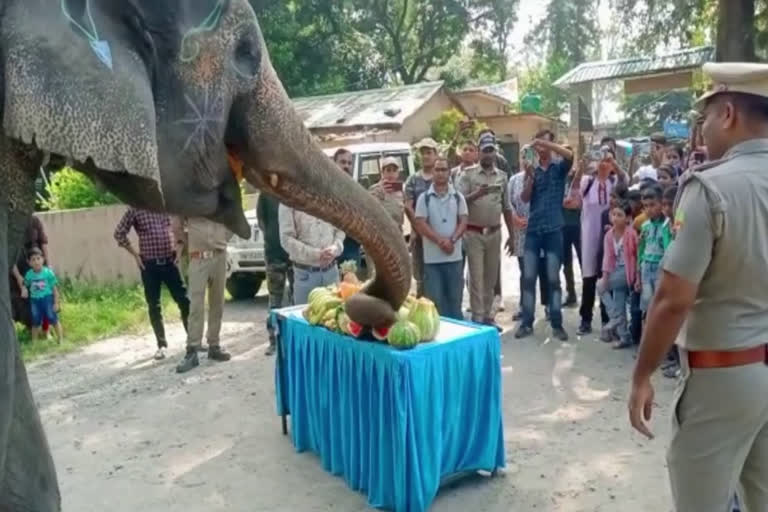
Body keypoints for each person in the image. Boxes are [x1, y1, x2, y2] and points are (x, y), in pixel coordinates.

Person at [629, 62, 768, 512]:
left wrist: (641, 375)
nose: (702, 128)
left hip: (724, 375)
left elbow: (672, 299)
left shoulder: (710, 188)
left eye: (705, 116)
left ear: (728, 113)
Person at [514, 130, 574, 340]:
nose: (541, 148)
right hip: (533, 230)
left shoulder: (559, 168)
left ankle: (557, 323)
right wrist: (529, 178)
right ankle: (526, 323)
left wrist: (547, 144)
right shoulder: (533, 170)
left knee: (553, 278)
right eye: (538, 145)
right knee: (528, 278)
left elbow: (570, 155)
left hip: (554, 229)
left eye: (545, 144)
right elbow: (525, 197)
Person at [114, 208, 190, 360]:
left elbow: (182, 229)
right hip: (149, 266)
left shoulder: (165, 206)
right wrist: (135, 255)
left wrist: (180, 250)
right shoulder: (135, 209)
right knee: (154, 305)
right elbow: (119, 233)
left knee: (184, 300)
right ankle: (161, 345)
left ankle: (192, 340)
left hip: (170, 262)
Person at [457, 132, 514, 329]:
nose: (488, 154)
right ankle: (478, 319)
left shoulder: (503, 177)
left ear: (494, 152)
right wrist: (476, 194)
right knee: (476, 278)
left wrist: (512, 237)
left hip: (495, 233)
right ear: (479, 152)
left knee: (490, 277)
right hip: (473, 234)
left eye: (491, 150)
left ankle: (488, 317)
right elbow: (458, 202)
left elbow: (507, 208)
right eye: (485, 150)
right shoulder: (468, 175)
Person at [576, 147, 628, 335]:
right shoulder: (587, 181)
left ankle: (609, 320)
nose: (604, 163)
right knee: (589, 277)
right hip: (590, 235)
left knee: (608, 276)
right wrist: (581, 168)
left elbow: (626, 181)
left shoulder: (615, 182)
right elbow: (574, 191)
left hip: (610, 235)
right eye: (601, 160)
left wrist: (614, 163)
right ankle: (585, 319)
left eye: (608, 161)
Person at [175, 217, 233, 373]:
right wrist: (189, 243)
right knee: (196, 305)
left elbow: (232, 216)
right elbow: (176, 221)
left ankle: (214, 345)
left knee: (217, 303)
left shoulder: (218, 194)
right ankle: (192, 350)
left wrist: (222, 238)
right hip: (198, 257)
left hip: (219, 255)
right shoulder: (189, 197)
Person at [414, 156, 468, 320]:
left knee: (455, 301)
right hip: (432, 261)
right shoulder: (425, 198)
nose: (440, 173)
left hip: (454, 258)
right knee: (435, 303)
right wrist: (439, 241)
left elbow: (464, 221)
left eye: (444, 169)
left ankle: (458, 341)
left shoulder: (458, 197)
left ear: (449, 172)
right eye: (437, 170)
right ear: (432, 172)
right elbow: (420, 223)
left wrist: (451, 241)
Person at [507, 164, 550, 322]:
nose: (528, 160)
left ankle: (549, 305)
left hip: (541, 230)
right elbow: (507, 203)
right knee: (526, 273)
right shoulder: (514, 180)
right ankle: (524, 307)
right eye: (525, 156)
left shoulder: (544, 177)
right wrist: (515, 219)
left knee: (544, 271)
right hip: (521, 233)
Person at [279, 202, 344, 305]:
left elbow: (340, 229)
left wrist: (335, 247)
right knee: (304, 319)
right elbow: (286, 239)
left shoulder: (328, 196)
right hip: (306, 277)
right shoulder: (288, 201)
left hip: (332, 274)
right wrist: (316, 254)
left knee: (334, 317)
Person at [597, 201, 637, 349]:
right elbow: (607, 258)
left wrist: (637, 277)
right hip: (616, 270)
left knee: (599, 286)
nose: (615, 218)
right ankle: (624, 336)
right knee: (618, 300)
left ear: (627, 218)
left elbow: (636, 255)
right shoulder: (609, 235)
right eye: (613, 214)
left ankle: (615, 318)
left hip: (628, 271)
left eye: (619, 215)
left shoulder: (631, 234)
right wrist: (606, 275)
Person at [258, 192, 293, 357]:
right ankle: (273, 340)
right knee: (275, 301)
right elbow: (261, 221)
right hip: (274, 254)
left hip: (295, 254)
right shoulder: (266, 193)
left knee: (296, 300)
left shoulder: (293, 190)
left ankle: (292, 340)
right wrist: (272, 237)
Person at [405, 138, 439, 297]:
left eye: (429, 152)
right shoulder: (413, 180)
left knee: (437, 276)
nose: (425, 156)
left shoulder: (442, 177)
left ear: (435, 154)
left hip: (439, 235)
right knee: (421, 277)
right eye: (423, 153)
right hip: (419, 237)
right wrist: (418, 228)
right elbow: (408, 206)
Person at [636, 184, 672, 316]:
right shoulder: (645, 226)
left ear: (661, 204)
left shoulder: (667, 225)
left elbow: (668, 249)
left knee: (659, 305)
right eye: (645, 206)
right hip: (646, 267)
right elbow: (640, 250)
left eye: (652, 205)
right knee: (646, 307)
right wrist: (638, 276)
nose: (648, 209)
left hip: (660, 268)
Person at [10, 215, 50, 333]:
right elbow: (8, 256)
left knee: (44, 296)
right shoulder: (7, 223)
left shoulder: (34, 220)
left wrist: (48, 265)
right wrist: (18, 277)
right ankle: (31, 328)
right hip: (17, 269)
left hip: (37, 266)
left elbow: (43, 244)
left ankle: (46, 329)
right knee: (22, 299)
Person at [22, 247, 64, 343]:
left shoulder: (48, 273)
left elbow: (54, 289)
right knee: (35, 321)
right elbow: (25, 283)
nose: (36, 262)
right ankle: (34, 343)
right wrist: (24, 289)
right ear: (29, 262)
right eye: (33, 260)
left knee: (53, 318)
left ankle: (60, 339)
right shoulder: (29, 274)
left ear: (43, 259)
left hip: (47, 299)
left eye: (38, 258)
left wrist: (56, 302)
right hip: (35, 301)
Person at [334, 148, 362, 268]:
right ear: (334, 163)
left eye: (349, 163)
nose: (346, 166)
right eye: (342, 162)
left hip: (351, 249)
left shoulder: (357, 190)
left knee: (351, 286)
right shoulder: (323, 188)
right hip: (330, 251)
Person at [562, 164, 582, 308]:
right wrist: (563, 204)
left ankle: (590, 292)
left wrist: (578, 204)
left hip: (579, 226)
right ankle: (571, 294)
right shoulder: (557, 178)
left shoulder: (578, 178)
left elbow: (581, 201)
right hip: (562, 226)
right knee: (566, 263)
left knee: (584, 261)